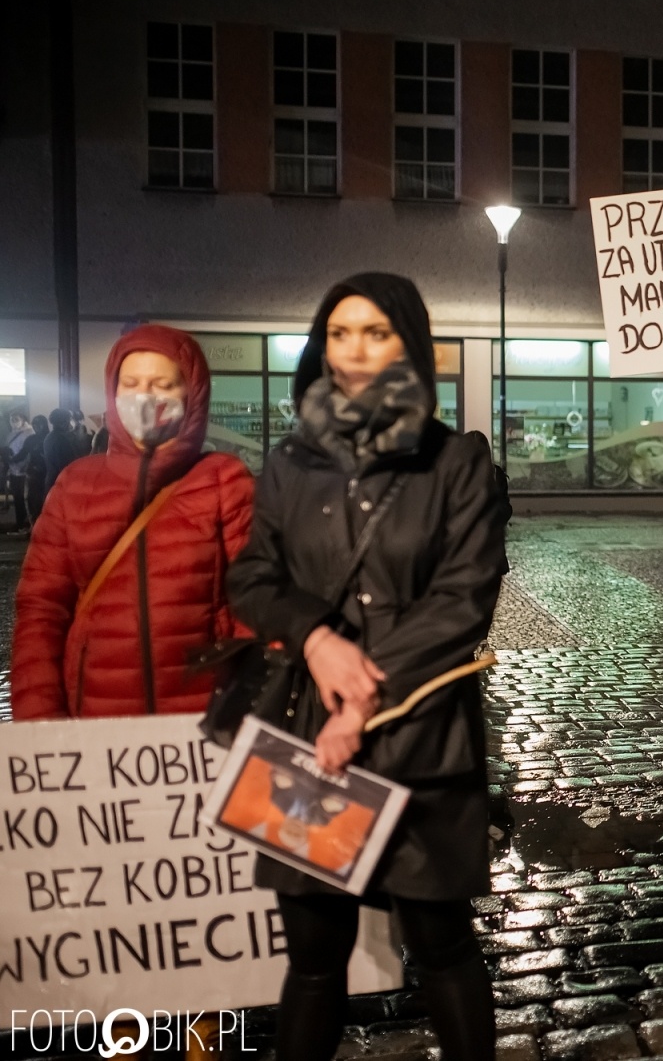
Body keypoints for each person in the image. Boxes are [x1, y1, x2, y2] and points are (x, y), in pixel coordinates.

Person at [228, 273, 509, 1061]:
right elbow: (253, 577)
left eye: (376, 332)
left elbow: (463, 599)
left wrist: (363, 698)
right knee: (313, 963)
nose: (354, 350)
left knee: (443, 948)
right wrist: (316, 639)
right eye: (340, 332)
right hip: (311, 739)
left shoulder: (456, 460)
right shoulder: (289, 463)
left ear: (409, 345)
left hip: (423, 740)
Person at [11, 327, 255, 1061]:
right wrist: (43, 730)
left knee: (209, 917)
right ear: (113, 396)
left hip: (200, 746)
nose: (149, 398)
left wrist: (247, 698)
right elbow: (40, 613)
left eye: (165, 384)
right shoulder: (75, 487)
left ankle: (210, 1042)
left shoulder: (225, 482)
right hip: (97, 746)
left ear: (192, 395)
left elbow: (256, 607)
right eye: (134, 384)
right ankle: (127, 1044)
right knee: (122, 925)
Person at [42, 407, 83, 494]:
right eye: (70, 419)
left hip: (52, 480)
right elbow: (67, 463)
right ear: (63, 422)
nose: (71, 422)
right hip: (62, 482)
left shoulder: (50, 437)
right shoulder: (62, 439)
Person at [5, 409, 33, 532]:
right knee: (17, 497)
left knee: (25, 498)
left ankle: (27, 522)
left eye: (16, 420)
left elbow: (28, 453)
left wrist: (22, 464)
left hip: (24, 471)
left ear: (23, 420)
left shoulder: (29, 433)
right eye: (12, 420)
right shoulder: (12, 433)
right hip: (13, 470)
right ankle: (20, 521)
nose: (13, 422)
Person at [20, 414, 47, 523]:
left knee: (45, 502)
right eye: (34, 424)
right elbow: (22, 454)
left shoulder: (50, 438)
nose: (36, 427)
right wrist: (10, 459)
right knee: (32, 502)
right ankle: (35, 526)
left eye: (38, 424)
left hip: (47, 475)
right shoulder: (31, 439)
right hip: (33, 475)